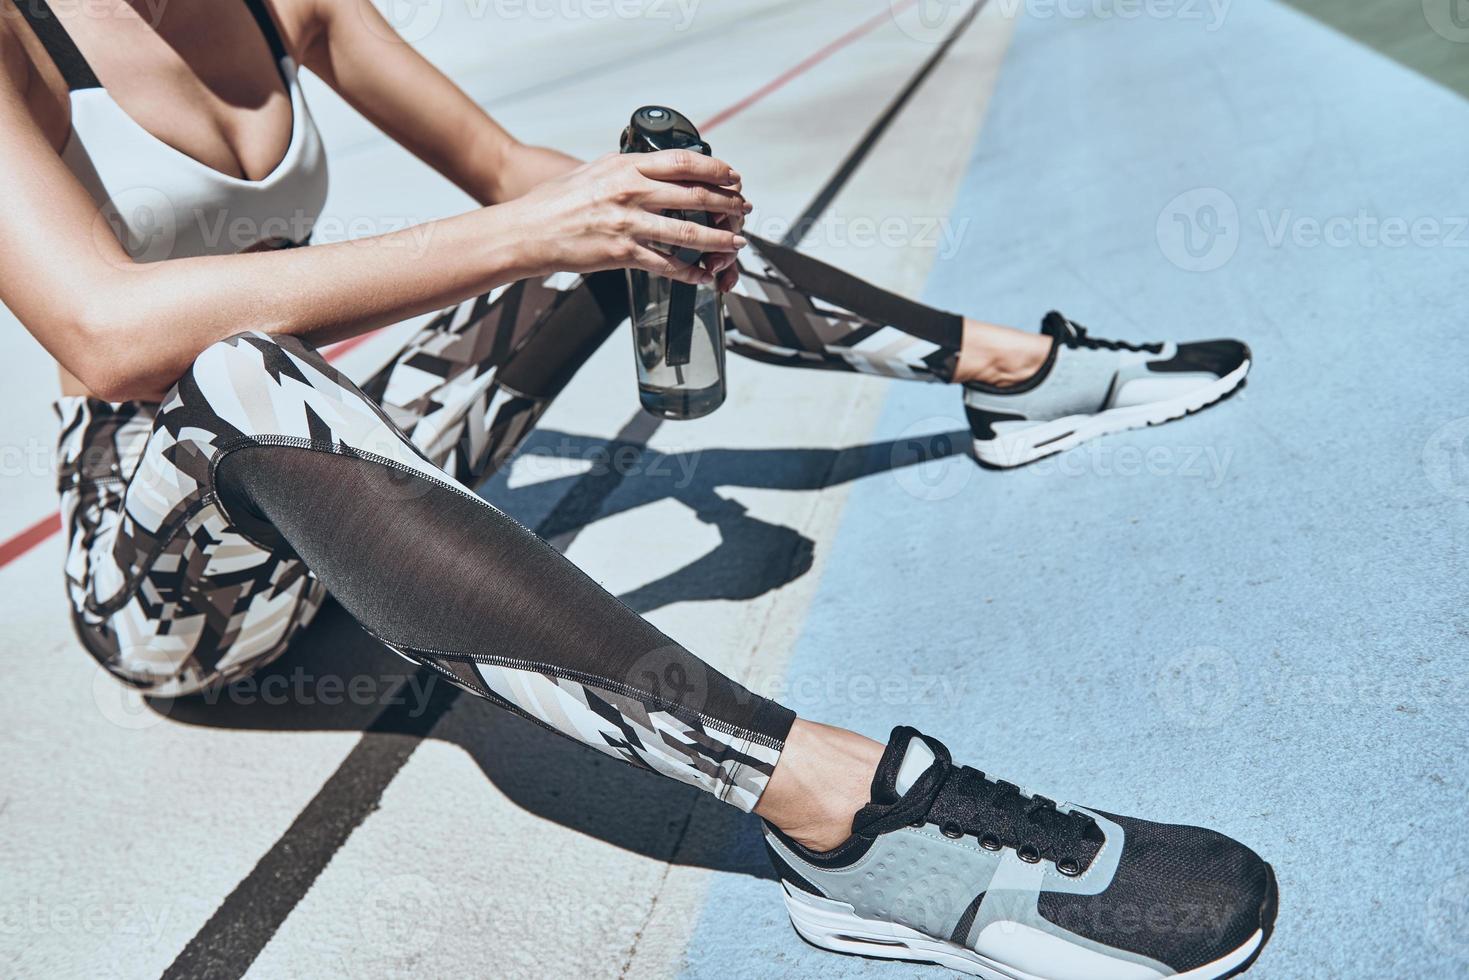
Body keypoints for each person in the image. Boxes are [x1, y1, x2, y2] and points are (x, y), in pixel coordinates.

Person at [0, 0, 1274, 976]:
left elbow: (510, 172)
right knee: (237, 369)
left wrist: (627, 211)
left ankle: (1006, 370)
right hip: (167, 570)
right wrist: (536, 230)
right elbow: (102, 329)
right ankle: (840, 816)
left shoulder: (293, 8)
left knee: (609, 208)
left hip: (317, 480)